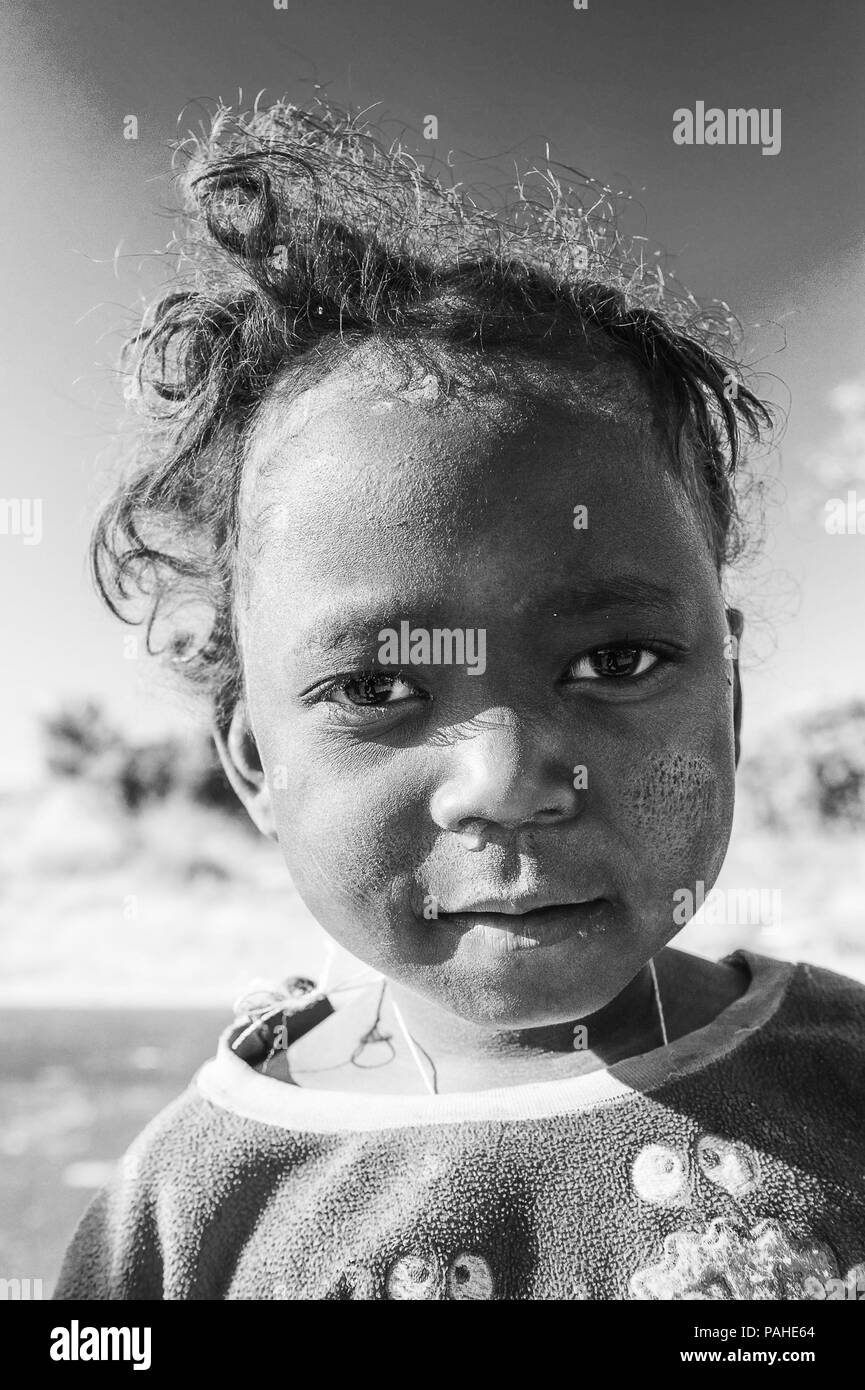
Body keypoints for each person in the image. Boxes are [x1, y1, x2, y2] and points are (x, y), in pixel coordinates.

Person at [54, 98, 865, 1301]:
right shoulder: (185, 1216)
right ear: (254, 765)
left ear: (731, 704)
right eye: (376, 687)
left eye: (617, 661)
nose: (508, 781)